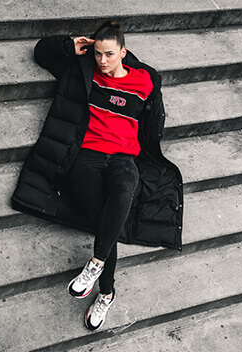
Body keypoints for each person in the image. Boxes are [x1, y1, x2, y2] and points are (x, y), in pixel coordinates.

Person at [11, 21, 183, 331]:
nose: (102, 61)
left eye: (109, 55)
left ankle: (96, 265)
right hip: (85, 158)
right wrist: (69, 45)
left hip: (123, 158)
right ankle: (106, 291)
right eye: (98, 54)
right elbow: (40, 53)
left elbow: (152, 107)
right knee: (105, 216)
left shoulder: (144, 82)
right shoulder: (82, 71)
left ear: (123, 53)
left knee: (125, 187)